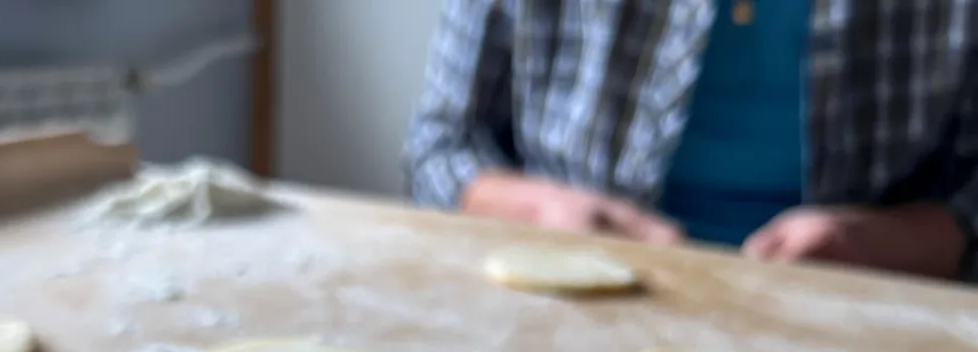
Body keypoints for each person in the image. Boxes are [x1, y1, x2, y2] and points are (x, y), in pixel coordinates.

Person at [405, 0, 978, 281]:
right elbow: (440, 145)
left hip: (864, 313)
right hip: (575, 294)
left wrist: (887, 243)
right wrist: (546, 211)